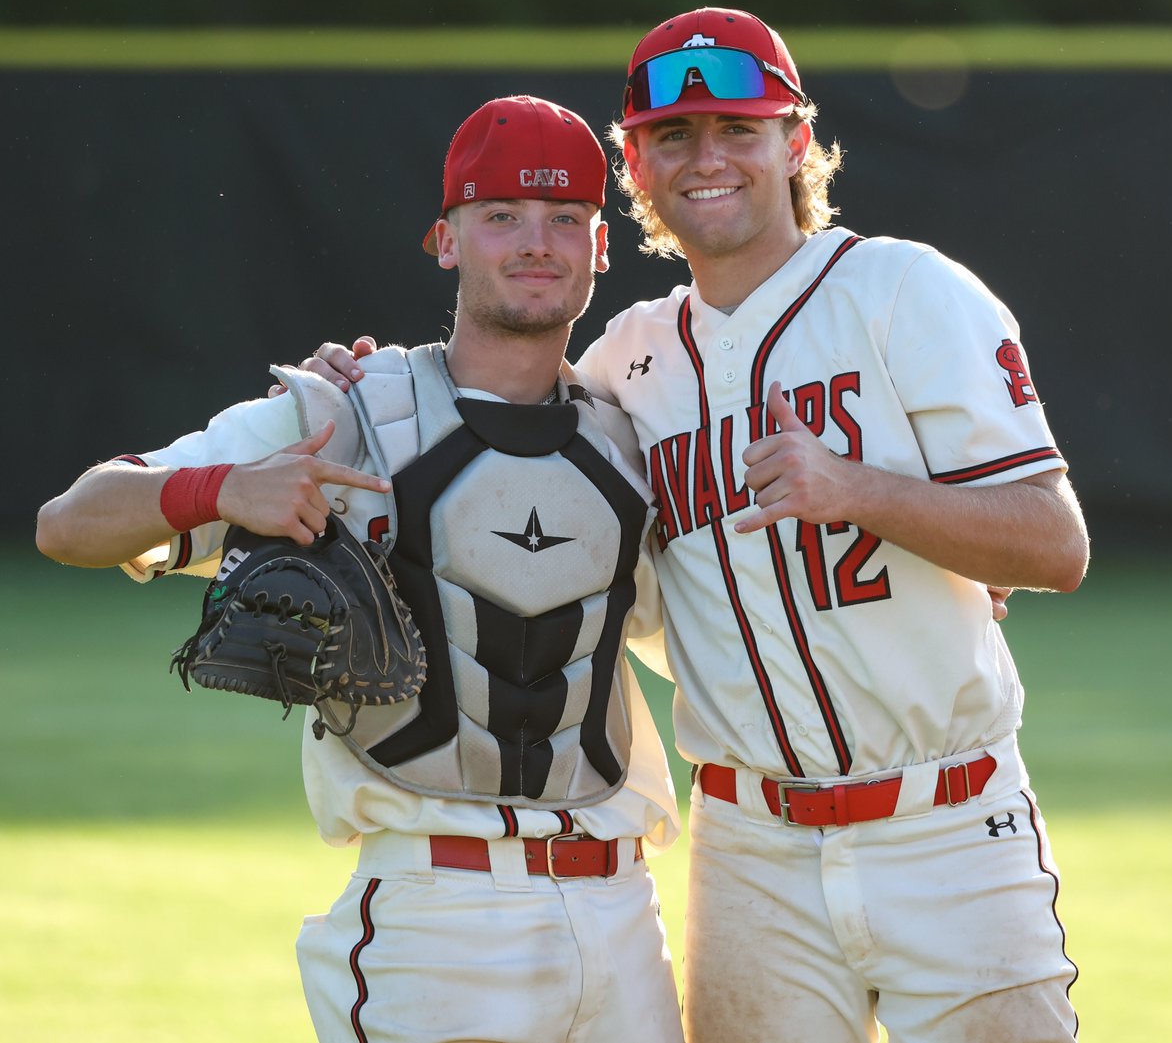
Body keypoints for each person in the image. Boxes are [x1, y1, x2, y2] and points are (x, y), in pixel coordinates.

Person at [306, 8, 1091, 1043]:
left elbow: (1055, 541)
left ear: (796, 142)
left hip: (949, 826)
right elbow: (500, 432)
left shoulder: (906, 292)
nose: (706, 156)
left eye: (738, 127)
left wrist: (863, 491)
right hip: (749, 847)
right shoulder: (626, 362)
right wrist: (357, 390)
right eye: (672, 136)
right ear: (634, 162)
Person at [35, 95, 685, 1043]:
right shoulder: (348, 413)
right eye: (500, 214)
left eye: (564, 218)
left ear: (600, 246)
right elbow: (70, 521)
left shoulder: (634, 437)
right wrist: (220, 490)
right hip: (434, 912)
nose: (534, 242)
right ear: (445, 239)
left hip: (623, 910)